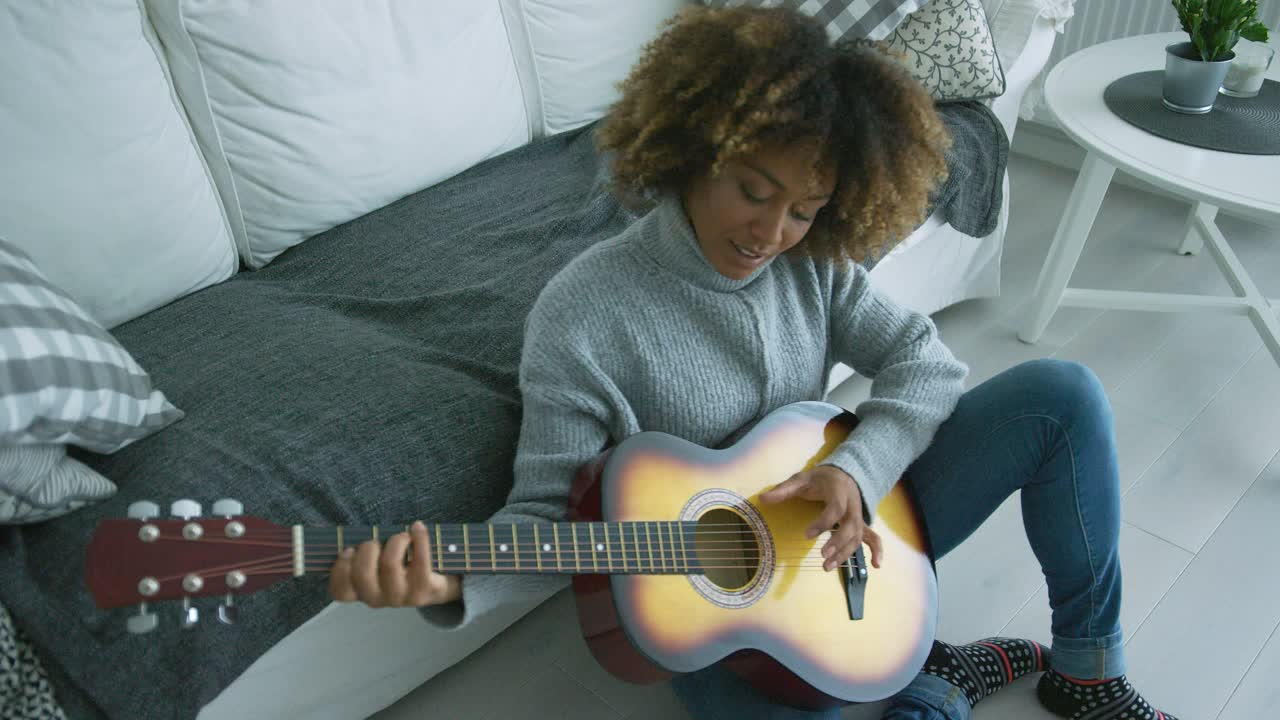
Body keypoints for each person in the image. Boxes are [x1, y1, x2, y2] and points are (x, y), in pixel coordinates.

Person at [328, 7, 1178, 720]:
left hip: (852, 536)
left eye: (805, 210)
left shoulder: (811, 261)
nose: (772, 234)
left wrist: (856, 469)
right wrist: (448, 583)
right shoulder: (583, 315)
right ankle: (937, 684)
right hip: (729, 622)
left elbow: (926, 366)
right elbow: (547, 522)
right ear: (693, 151)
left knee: (1061, 393)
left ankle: (1088, 674)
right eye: (753, 191)